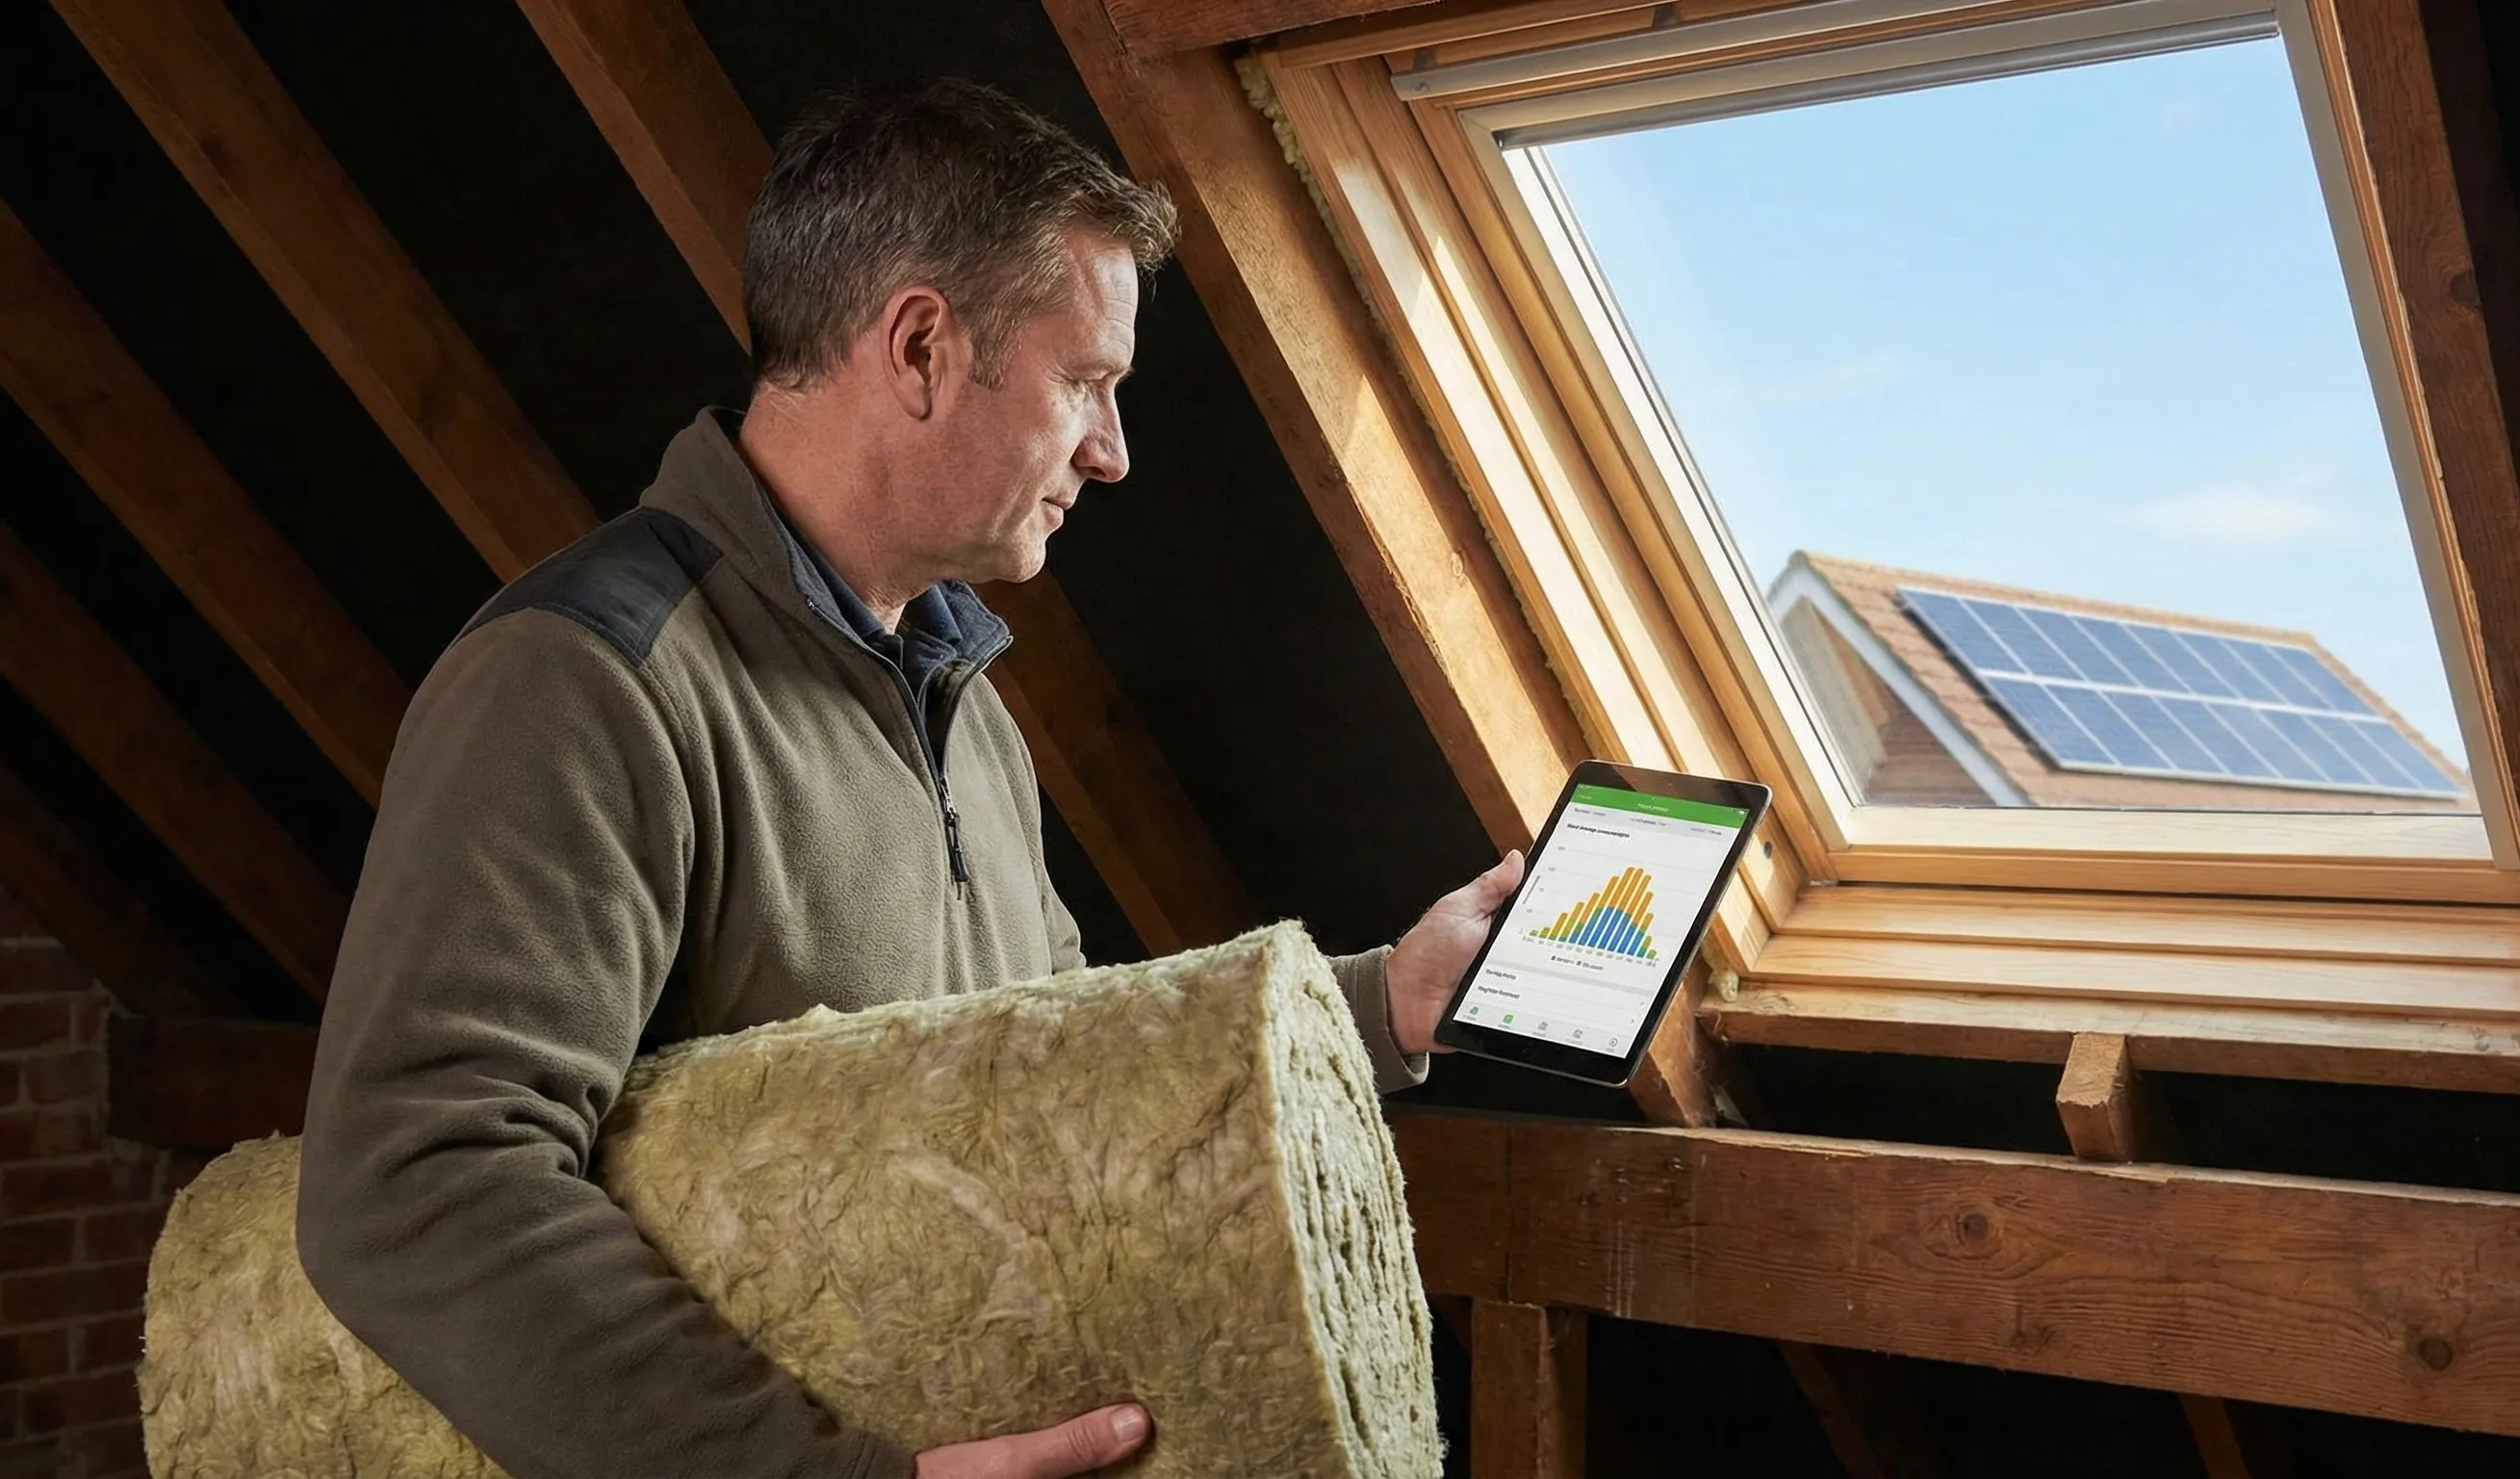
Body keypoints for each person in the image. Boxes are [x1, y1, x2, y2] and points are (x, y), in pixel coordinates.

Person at [296, 78, 1524, 1479]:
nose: (1112, 454)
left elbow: (1060, 1055)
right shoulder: (589, 680)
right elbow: (418, 1180)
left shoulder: (964, 703)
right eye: (1086, 383)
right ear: (925, 348)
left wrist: (1374, 1007)